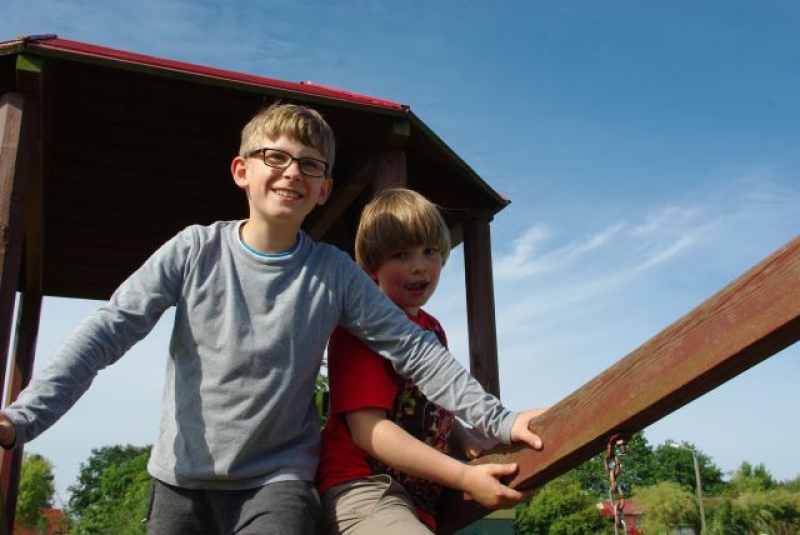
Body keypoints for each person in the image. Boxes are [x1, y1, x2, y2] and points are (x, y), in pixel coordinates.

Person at [0, 103, 543, 535]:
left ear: (324, 189)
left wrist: (500, 420)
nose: (292, 172)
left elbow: (414, 348)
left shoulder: (332, 273)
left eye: (311, 164)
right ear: (242, 170)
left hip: (277, 481)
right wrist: (20, 420)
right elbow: (106, 332)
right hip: (181, 477)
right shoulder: (194, 251)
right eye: (275, 157)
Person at [317, 189, 541, 535]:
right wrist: (463, 475)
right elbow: (369, 431)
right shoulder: (359, 330)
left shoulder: (431, 329)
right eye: (401, 254)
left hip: (418, 496)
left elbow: (430, 408)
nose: (419, 265)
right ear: (372, 266)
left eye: (430, 251)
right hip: (363, 486)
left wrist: (465, 440)